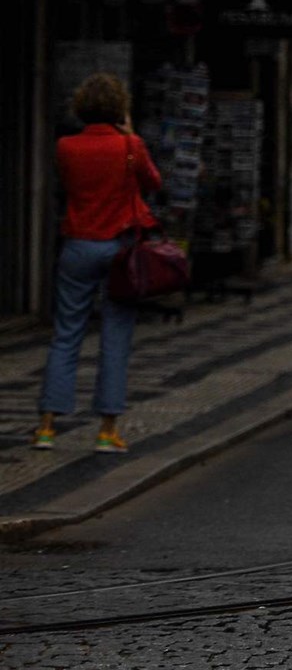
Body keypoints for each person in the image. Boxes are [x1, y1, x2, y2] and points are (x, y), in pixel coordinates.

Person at [33, 73, 158, 454]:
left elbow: (70, 184)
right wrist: (131, 135)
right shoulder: (130, 145)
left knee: (67, 333)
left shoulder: (65, 146)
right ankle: (107, 431)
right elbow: (152, 183)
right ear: (120, 108)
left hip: (78, 245)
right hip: (120, 250)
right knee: (115, 337)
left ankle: (47, 428)